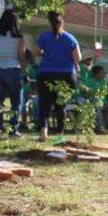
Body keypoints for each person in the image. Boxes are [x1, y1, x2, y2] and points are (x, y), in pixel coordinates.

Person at [35, 11, 81, 141]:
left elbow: (36, 52)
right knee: (61, 105)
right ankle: (60, 134)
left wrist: (45, 53)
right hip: (66, 75)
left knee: (44, 103)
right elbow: (78, 58)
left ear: (50, 23)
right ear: (62, 23)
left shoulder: (43, 37)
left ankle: (44, 132)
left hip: (46, 73)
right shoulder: (70, 38)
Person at [0, 8, 26, 138]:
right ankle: (13, 130)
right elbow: (21, 56)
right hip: (13, 69)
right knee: (15, 101)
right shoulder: (19, 37)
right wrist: (24, 73)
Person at [18, 49, 38, 132]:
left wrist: (32, 89)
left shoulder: (30, 68)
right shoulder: (21, 67)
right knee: (23, 106)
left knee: (24, 106)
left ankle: (24, 123)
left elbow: (35, 80)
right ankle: (23, 123)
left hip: (28, 90)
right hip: (23, 89)